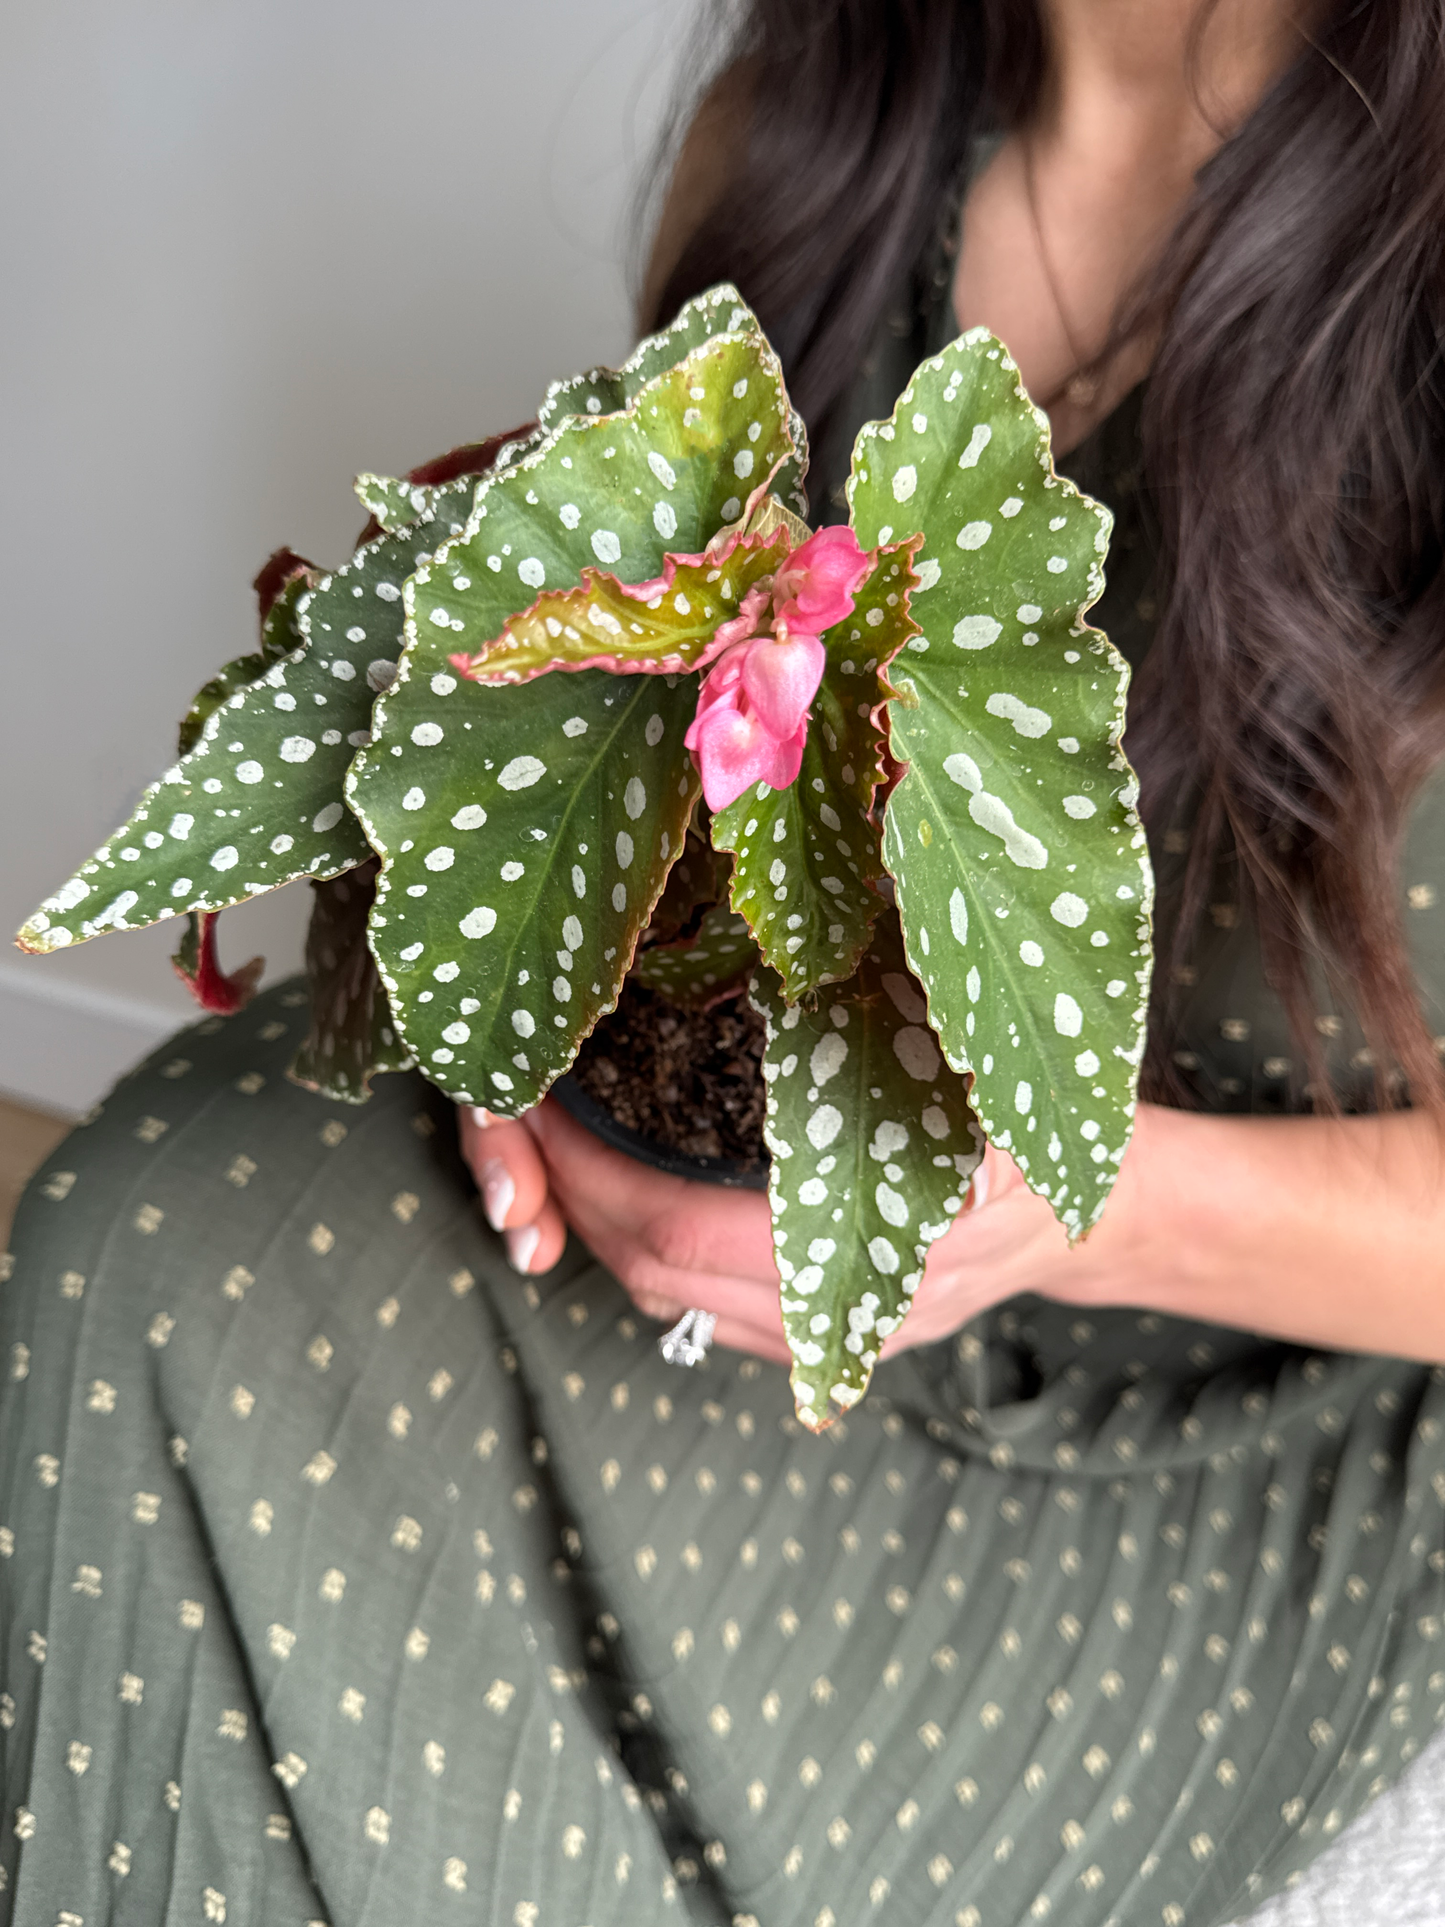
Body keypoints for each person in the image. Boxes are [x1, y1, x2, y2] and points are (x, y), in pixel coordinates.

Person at [3, 2, 1444, 1923]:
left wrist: (1069, 1214)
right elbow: (640, 725)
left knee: (447, 1751)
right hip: (784, 1168)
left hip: (1268, 1380)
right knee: (154, 1253)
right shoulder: (809, 136)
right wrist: (529, 1003)